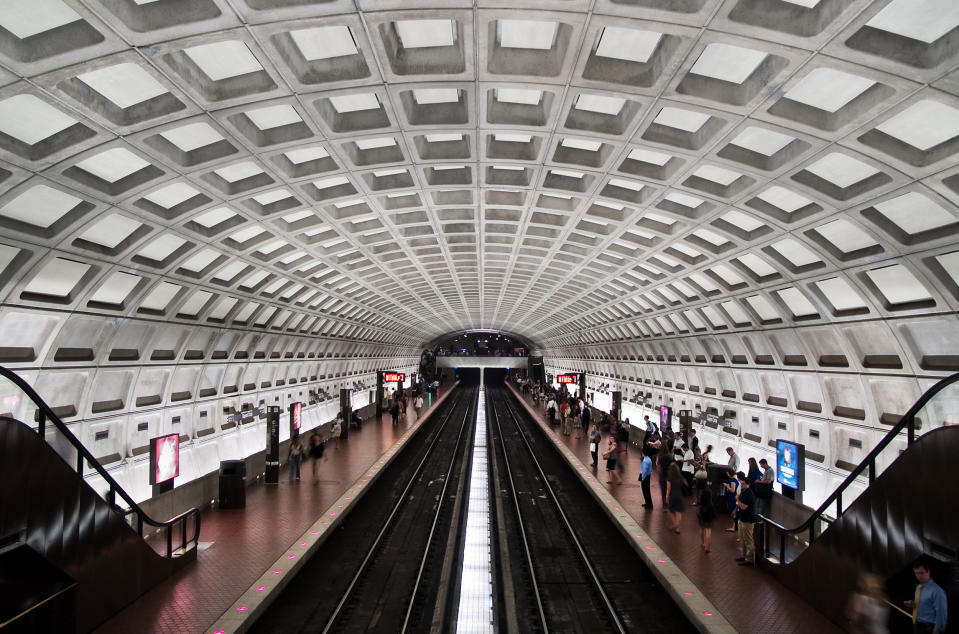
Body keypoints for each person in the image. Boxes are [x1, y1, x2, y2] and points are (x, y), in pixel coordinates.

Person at [905, 558, 948, 634]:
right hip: (916, 624)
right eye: (916, 573)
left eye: (921, 573)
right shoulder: (918, 587)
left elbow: (941, 614)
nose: (919, 576)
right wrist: (913, 605)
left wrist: (936, 631)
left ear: (928, 572)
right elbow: (924, 605)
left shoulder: (937, 591)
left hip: (928, 628)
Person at [735, 473, 756, 565]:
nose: (742, 485)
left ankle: (749, 558)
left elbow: (743, 507)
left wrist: (737, 500)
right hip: (742, 518)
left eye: (743, 484)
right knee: (742, 538)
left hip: (748, 520)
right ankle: (744, 555)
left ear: (748, 484)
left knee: (748, 539)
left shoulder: (749, 494)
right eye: (741, 484)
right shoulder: (744, 492)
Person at [697, 480, 716, 553]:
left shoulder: (700, 493)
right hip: (709, 511)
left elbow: (699, 502)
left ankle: (703, 543)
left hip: (702, 511)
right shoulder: (708, 492)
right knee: (708, 530)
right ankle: (707, 548)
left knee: (701, 528)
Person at [666, 463, 685, 534]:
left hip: (672, 496)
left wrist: (666, 497)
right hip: (679, 496)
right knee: (679, 512)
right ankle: (678, 528)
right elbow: (685, 483)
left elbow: (668, 489)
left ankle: (675, 524)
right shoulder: (680, 477)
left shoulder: (670, 478)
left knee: (670, 511)